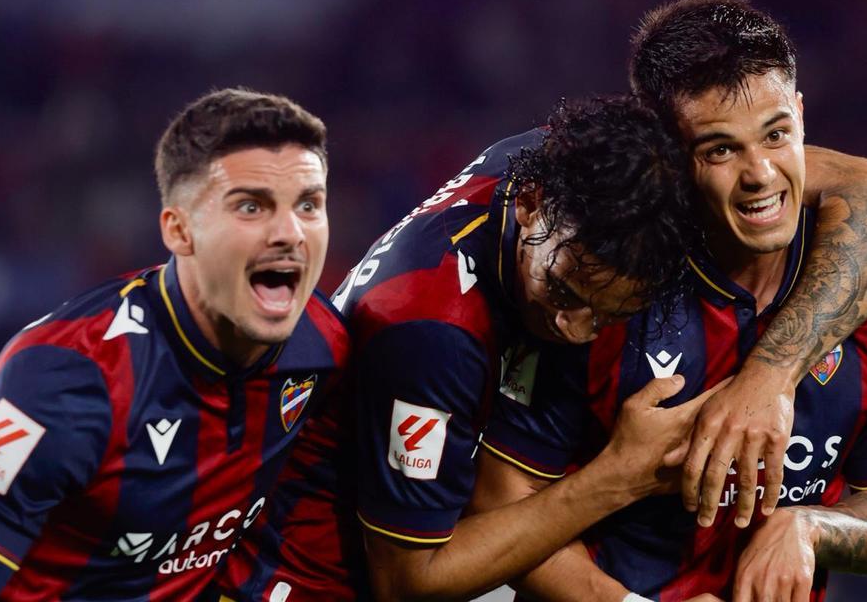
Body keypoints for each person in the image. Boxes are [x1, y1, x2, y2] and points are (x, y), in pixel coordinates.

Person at [477, 0, 867, 602]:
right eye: (720, 149)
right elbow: (502, 514)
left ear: (801, 115)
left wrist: (808, 527)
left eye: (776, 134)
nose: (760, 174)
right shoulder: (613, 289)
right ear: (671, 153)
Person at [219, 96, 718, 602]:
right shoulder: (433, 331)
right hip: (302, 581)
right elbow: (410, 582)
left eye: (610, 315)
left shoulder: (574, 167)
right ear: (529, 203)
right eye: (565, 293)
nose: (575, 330)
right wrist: (618, 477)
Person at [0, 89, 354, 601]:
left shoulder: (326, 347)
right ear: (179, 231)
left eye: (309, 204)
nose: (290, 232)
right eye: (252, 206)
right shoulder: (63, 384)